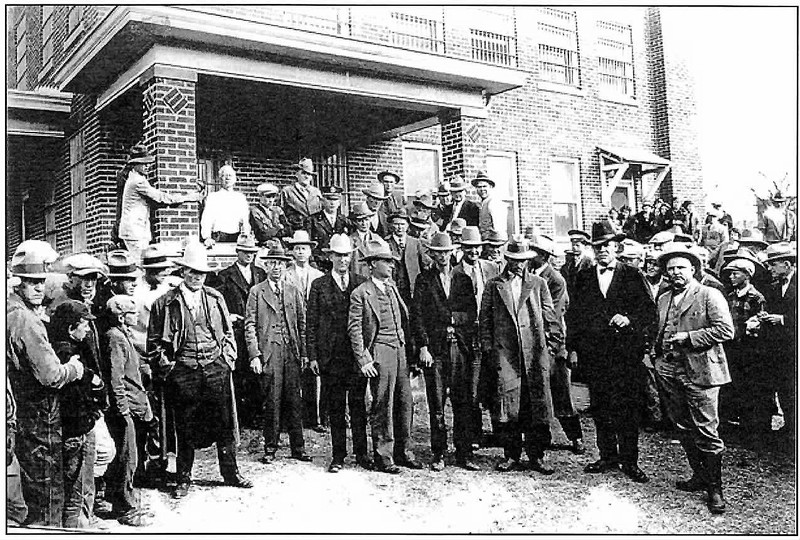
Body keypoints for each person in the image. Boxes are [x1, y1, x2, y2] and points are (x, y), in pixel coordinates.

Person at [147, 240, 252, 499]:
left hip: (215, 367)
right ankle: (184, 477)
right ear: (183, 272)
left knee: (224, 423)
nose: (197, 277)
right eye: (192, 272)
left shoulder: (215, 298)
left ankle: (231, 472)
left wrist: (227, 360)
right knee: (185, 425)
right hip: (184, 370)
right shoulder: (165, 303)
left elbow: (228, 333)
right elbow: (153, 344)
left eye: (201, 273)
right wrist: (170, 369)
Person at [565, 221, 656, 484]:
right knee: (601, 406)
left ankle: (630, 460)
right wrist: (573, 349)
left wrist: (628, 319)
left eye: (607, 245)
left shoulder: (632, 275)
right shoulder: (583, 277)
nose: (603, 250)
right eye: (598, 246)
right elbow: (575, 316)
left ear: (616, 247)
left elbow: (649, 312)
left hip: (625, 354)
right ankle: (606, 455)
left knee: (626, 407)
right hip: (595, 354)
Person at [652, 242, 734, 515]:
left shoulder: (709, 294)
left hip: (702, 370)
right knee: (682, 425)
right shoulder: (663, 298)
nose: (675, 272)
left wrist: (689, 338)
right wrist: (656, 356)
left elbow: (725, 330)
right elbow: (659, 329)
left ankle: (715, 490)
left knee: (706, 430)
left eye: (681, 268)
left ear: (693, 269)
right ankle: (699, 476)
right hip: (668, 370)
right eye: (670, 268)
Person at [7, 243, 86, 527]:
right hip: (41, 413)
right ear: (19, 283)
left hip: (22, 409)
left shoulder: (11, 311)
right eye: (32, 283)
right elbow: (51, 375)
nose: (39, 288)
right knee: (47, 490)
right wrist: (74, 369)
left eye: (41, 282)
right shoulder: (26, 320)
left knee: (33, 488)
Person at [480, 237, 562, 474]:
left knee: (536, 405)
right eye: (514, 260)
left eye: (523, 260)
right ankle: (511, 454)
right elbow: (485, 320)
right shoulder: (494, 285)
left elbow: (551, 318)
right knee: (509, 405)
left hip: (535, 354)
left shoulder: (538, 284)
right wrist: (490, 350)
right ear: (507, 259)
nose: (518, 265)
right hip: (506, 356)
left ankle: (537, 456)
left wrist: (551, 349)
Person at [348, 239, 422, 474]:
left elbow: (405, 319)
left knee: (405, 402)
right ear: (372, 265)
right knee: (383, 404)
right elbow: (355, 328)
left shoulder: (392, 288)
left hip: (399, 349)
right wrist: (364, 359)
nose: (391, 266)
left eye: (391, 262)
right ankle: (383, 455)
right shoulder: (361, 293)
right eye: (386, 262)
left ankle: (404, 451)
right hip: (380, 350)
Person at [412, 233, 479, 471]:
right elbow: (417, 316)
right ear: (431, 254)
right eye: (438, 252)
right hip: (436, 350)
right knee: (437, 404)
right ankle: (438, 453)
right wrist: (423, 347)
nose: (442, 256)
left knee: (463, 402)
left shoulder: (463, 279)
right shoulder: (424, 280)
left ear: (453, 253)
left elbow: (471, 314)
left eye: (446, 252)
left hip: (459, 348)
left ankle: (464, 453)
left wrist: (453, 319)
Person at [306, 234, 370, 473]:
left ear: (351, 256)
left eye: (346, 255)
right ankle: (338, 455)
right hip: (331, 357)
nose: (342, 260)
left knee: (358, 406)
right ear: (330, 257)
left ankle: (362, 453)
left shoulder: (361, 282)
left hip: (355, 356)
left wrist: (365, 353)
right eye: (338, 256)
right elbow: (311, 323)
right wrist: (312, 355)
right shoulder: (319, 285)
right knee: (335, 407)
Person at [245, 244, 313, 464]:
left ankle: (298, 448)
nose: (276, 268)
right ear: (266, 266)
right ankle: (270, 447)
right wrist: (254, 354)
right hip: (269, 351)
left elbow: (303, 324)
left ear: (286, 266)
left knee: (295, 400)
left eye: (281, 264)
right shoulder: (257, 292)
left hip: (291, 351)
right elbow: (249, 325)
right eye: (272, 263)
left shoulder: (293, 290)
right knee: (272, 401)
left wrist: (304, 353)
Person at [48, 300, 107, 529]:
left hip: (71, 429)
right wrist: (92, 380)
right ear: (71, 328)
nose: (88, 329)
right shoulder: (68, 355)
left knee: (77, 486)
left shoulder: (62, 349)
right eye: (84, 325)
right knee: (78, 490)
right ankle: (77, 529)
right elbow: (76, 398)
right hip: (78, 431)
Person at [528, 234, 585, 455]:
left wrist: (551, 344)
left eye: (532, 252)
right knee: (539, 393)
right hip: (534, 343)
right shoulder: (529, 275)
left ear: (542, 256)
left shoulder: (555, 280)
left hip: (553, 343)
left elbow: (553, 313)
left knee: (561, 392)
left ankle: (576, 437)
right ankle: (543, 436)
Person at [104, 295, 153, 526]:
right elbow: (116, 378)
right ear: (122, 316)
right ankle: (124, 508)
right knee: (126, 459)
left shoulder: (124, 335)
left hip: (133, 405)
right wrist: (122, 409)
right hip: (125, 409)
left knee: (130, 456)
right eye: (133, 313)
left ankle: (124, 502)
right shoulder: (115, 338)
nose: (137, 316)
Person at [453, 227, 501, 447]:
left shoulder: (491, 269)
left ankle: (500, 431)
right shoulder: (455, 273)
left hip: (491, 333)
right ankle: (474, 433)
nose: (473, 252)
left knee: (494, 383)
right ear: (462, 248)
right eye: (469, 248)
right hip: (468, 336)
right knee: (471, 386)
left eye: (476, 248)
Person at [215, 234, 266, 428]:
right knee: (240, 372)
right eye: (245, 252)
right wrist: (228, 316)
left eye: (252, 252)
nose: (249, 255)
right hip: (237, 329)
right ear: (237, 252)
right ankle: (241, 416)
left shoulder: (260, 273)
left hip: (256, 329)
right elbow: (218, 302)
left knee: (257, 371)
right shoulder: (225, 275)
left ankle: (257, 415)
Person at [118, 144, 202, 262]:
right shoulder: (137, 181)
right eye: (143, 163)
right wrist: (188, 197)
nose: (147, 166)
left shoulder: (137, 177)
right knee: (141, 263)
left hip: (137, 230)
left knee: (142, 263)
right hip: (134, 232)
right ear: (135, 164)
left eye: (148, 163)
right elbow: (161, 198)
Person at [719, 251, 766, 433]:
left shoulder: (756, 298)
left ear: (747, 275)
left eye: (735, 273)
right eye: (731, 274)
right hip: (730, 346)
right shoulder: (730, 296)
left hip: (747, 348)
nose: (731, 277)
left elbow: (759, 324)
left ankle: (749, 426)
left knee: (746, 385)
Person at [283, 230, 325, 432]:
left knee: (312, 372)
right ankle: (294, 417)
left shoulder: (318, 276)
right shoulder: (285, 275)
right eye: (297, 248)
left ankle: (314, 418)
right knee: (294, 371)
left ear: (310, 252)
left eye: (304, 248)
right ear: (292, 252)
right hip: (293, 325)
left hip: (314, 326)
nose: (300, 252)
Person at [756, 242, 797, 445]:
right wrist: (765, 317)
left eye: (774, 265)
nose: (770, 269)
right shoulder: (773, 287)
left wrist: (783, 319)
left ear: (788, 265)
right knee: (783, 389)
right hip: (777, 349)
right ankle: (789, 429)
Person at [385, 208, 431, 308]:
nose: (399, 227)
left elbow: (424, 264)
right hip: (394, 286)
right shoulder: (386, 243)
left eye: (402, 224)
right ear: (391, 225)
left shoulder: (415, 242)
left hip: (413, 288)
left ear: (407, 225)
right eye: (396, 224)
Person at [201, 165, 251, 247]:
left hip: (237, 237)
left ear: (235, 179)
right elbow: (207, 219)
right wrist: (207, 237)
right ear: (220, 179)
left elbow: (245, 219)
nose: (227, 178)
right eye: (224, 175)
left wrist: (246, 234)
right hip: (219, 237)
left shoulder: (240, 198)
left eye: (230, 175)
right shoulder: (213, 197)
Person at [308, 184, 350, 268]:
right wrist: (312, 262)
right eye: (329, 199)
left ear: (339, 202)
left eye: (335, 199)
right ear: (322, 201)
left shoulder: (344, 221)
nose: (332, 203)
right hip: (319, 264)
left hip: (339, 263)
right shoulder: (312, 220)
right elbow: (308, 244)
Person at [279, 157, 323, 232]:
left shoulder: (316, 192)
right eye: (303, 173)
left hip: (315, 231)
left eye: (309, 174)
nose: (306, 176)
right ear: (296, 174)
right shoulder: (287, 191)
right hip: (295, 231)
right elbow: (280, 213)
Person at [348, 202, 382, 278]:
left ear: (370, 220)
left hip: (374, 279)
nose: (364, 223)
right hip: (356, 279)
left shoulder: (378, 240)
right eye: (360, 220)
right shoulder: (349, 240)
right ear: (355, 222)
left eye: (366, 219)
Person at [560, 229, 594, 297]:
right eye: (573, 245)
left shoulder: (589, 262)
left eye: (577, 245)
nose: (574, 248)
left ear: (584, 246)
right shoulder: (569, 263)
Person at [474, 171, 507, 239]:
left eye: (484, 186)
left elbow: (499, 229)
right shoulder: (482, 203)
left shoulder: (494, 202)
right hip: (486, 242)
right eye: (479, 187)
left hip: (495, 242)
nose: (482, 189)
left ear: (490, 187)